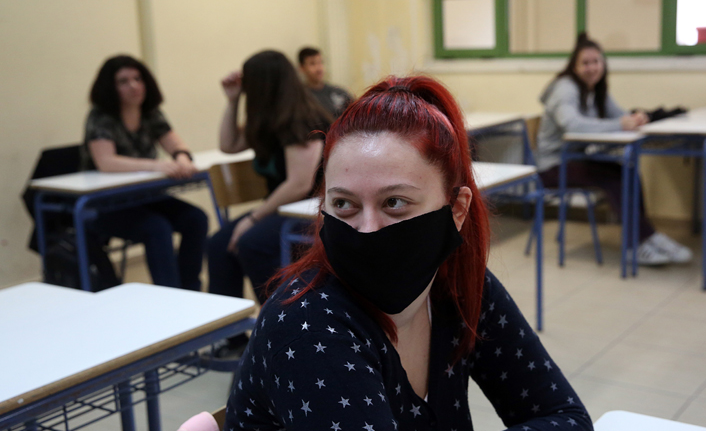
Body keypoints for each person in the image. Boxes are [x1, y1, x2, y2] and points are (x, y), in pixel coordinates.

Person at [223, 76, 593, 430]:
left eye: (394, 202)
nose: (367, 229)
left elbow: (565, 416)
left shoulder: (457, 284)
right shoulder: (308, 327)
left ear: (457, 209)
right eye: (344, 204)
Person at [207, 50, 332, 357]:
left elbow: (299, 184)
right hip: (282, 207)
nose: (246, 89)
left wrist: (252, 218)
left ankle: (281, 329)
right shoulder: (268, 119)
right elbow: (228, 145)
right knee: (218, 244)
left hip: (312, 209)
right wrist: (232, 101)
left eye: (248, 84)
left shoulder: (302, 118)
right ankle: (231, 339)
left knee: (252, 242)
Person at [538, 33, 692, 266]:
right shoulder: (565, 88)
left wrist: (636, 118)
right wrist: (620, 124)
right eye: (585, 63)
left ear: (603, 64)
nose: (592, 67)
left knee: (627, 171)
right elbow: (573, 125)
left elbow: (619, 116)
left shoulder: (596, 89)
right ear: (574, 66)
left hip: (576, 160)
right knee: (613, 178)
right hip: (552, 166)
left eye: (596, 61)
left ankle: (644, 240)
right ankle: (642, 241)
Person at [81, 55, 208, 290]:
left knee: (196, 219)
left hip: (145, 197)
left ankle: (191, 289)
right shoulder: (101, 117)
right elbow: (106, 161)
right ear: (110, 87)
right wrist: (155, 165)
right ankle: (170, 294)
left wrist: (181, 158)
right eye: (123, 81)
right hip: (107, 204)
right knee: (157, 228)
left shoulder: (150, 112)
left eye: (138, 79)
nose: (134, 86)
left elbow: (176, 144)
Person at [297, 47, 353, 118]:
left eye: (320, 62)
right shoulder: (300, 97)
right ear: (302, 68)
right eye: (312, 64)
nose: (319, 68)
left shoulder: (339, 92)